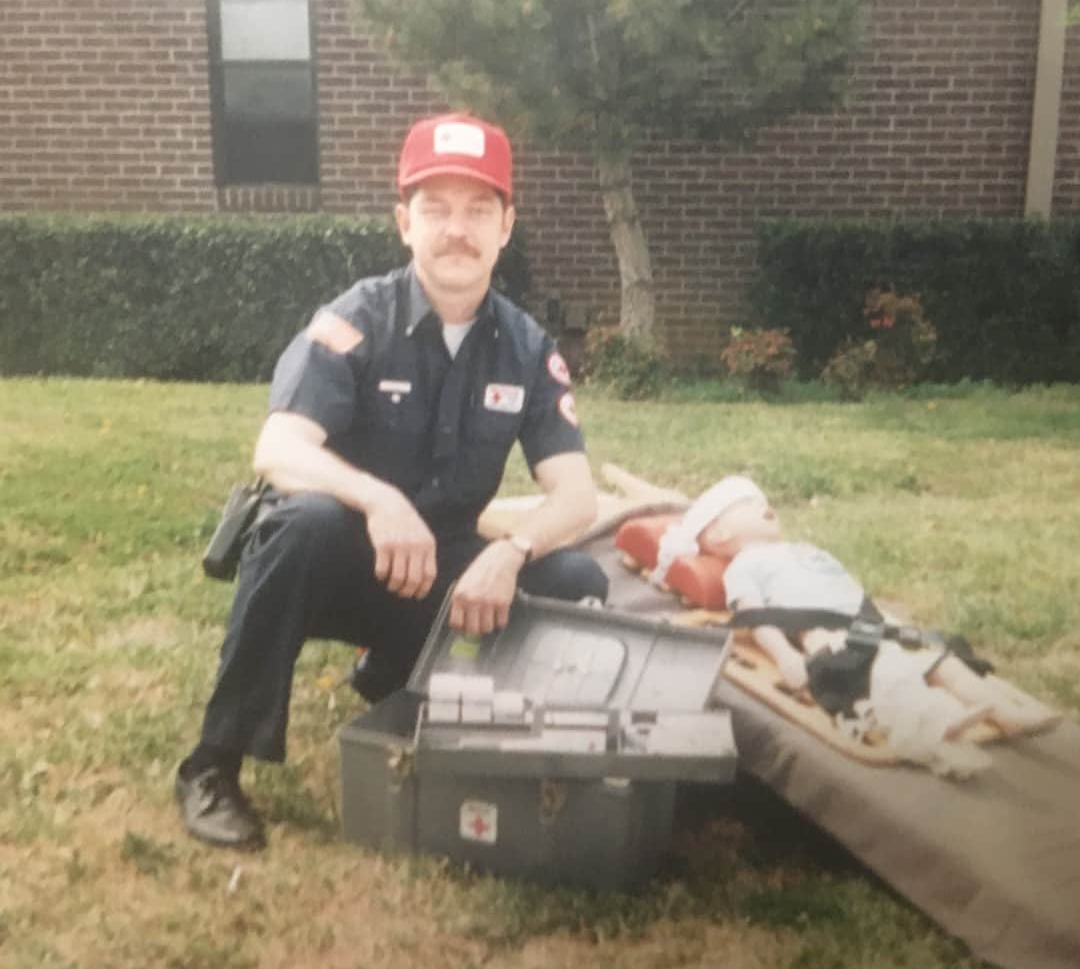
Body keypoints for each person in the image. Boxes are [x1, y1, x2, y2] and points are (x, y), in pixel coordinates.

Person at [176, 113, 609, 849]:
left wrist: (509, 554)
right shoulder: (355, 319)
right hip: (344, 560)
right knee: (297, 523)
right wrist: (378, 499)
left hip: (443, 575)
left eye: (478, 210)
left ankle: (402, 672)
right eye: (436, 209)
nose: (457, 230)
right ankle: (213, 765)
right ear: (404, 222)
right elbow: (278, 446)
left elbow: (576, 495)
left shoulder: (529, 349)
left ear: (507, 226)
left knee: (570, 575)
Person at [651, 476, 1059, 773]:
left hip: (867, 623)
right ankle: (932, 725)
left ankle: (1000, 709)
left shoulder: (804, 550)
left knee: (941, 661)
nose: (764, 504)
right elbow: (755, 616)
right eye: (748, 504)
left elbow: (846, 586)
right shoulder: (743, 567)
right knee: (888, 673)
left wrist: (884, 621)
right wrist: (786, 656)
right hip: (825, 634)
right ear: (720, 532)